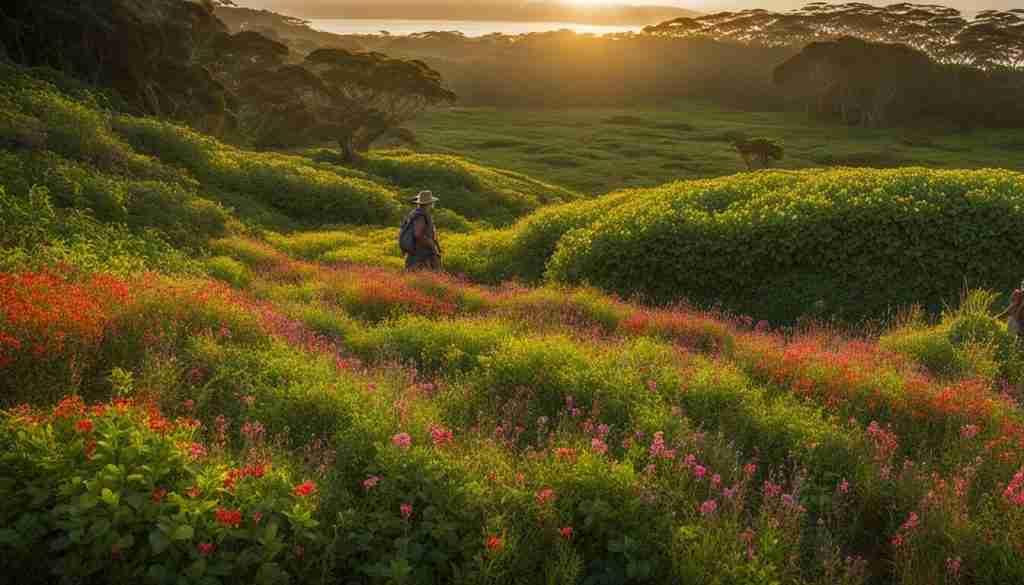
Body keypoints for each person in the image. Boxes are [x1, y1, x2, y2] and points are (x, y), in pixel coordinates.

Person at [402, 190, 442, 271]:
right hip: (420, 255)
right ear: (429, 203)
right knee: (424, 277)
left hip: (417, 254)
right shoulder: (420, 216)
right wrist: (431, 244)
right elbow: (417, 234)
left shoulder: (418, 213)